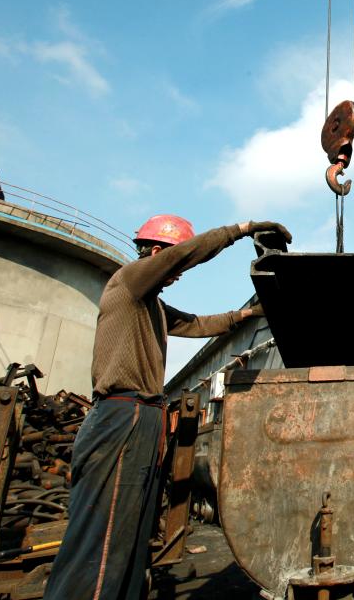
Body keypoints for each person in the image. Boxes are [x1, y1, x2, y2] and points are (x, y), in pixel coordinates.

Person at [44, 215, 291, 600]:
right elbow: (186, 256)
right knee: (105, 536)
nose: (177, 274)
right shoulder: (129, 280)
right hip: (122, 415)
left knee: (132, 534)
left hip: (142, 416)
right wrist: (241, 230)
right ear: (157, 251)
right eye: (172, 263)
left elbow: (195, 324)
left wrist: (247, 314)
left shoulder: (150, 305)